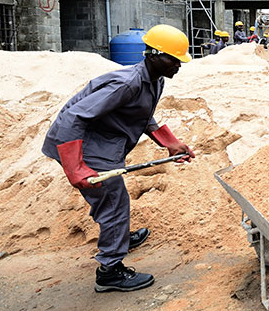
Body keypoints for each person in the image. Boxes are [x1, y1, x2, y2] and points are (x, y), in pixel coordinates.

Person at [41, 24, 196, 292]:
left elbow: (142, 116)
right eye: (174, 59)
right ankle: (110, 271)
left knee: (112, 200)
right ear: (154, 55)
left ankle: (118, 236)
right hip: (84, 145)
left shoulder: (154, 80)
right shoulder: (126, 83)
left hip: (104, 142)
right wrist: (75, 167)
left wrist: (170, 143)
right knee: (113, 201)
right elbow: (72, 118)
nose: (178, 66)